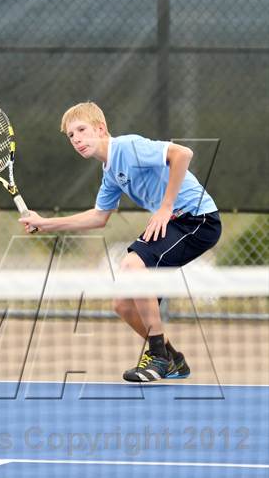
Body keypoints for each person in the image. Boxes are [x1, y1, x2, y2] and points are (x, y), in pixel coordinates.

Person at [19, 102, 222, 382]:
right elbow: (99, 217)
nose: (77, 138)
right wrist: (45, 223)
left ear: (101, 129)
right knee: (123, 304)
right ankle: (172, 358)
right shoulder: (110, 171)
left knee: (131, 267)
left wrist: (165, 207)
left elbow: (182, 154)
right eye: (71, 135)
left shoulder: (127, 147)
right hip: (176, 222)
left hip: (198, 220)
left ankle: (159, 357)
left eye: (82, 130)